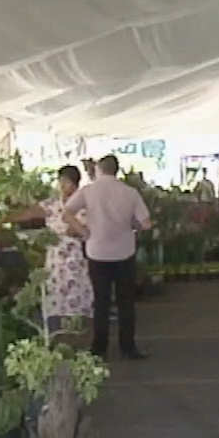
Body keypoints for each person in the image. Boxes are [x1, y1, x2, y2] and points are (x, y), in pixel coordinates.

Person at [65, 154, 152, 361]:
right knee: (126, 302)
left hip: (97, 252)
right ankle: (128, 347)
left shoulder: (88, 191)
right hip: (124, 252)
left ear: (99, 169)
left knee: (101, 301)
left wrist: (84, 232)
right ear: (117, 170)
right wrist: (132, 226)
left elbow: (66, 213)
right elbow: (147, 223)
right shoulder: (130, 193)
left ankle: (99, 347)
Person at [8, 166, 92, 335]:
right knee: (55, 292)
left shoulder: (85, 203)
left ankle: (81, 330)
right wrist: (5, 218)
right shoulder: (53, 204)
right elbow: (30, 214)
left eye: (66, 182)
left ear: (75, 184)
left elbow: (87, 227)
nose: (62, 186)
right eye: (60, 182)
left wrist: (73, 230)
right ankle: (58, 331)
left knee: (77, 292)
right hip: (55, 258)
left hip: (75, 256)